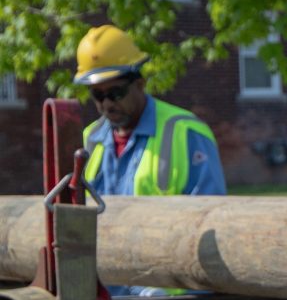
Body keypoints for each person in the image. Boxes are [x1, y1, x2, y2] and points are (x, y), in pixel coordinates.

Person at [74, 25, 226, 199]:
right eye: (98, 95)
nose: (107, 103)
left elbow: (209, 212)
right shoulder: (90, 138)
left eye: (116, 93)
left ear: (139, 84)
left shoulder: (187, 133)